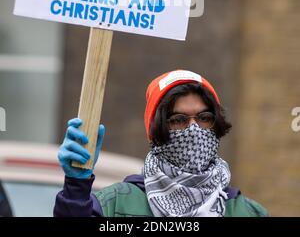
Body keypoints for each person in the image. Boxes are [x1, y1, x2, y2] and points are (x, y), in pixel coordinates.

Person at [54, 69, 268, 217]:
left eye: (204, 118)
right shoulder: (116, 204)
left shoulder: (246, 211)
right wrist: (76, 187)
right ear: (157, 131)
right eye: (178, 120)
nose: (193, 130)